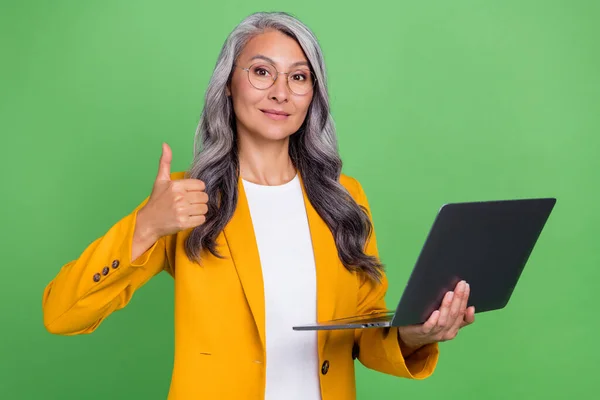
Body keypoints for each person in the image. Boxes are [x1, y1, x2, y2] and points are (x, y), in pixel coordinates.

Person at [42, 11, 475, 400]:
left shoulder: (344, 198)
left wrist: (415, 337)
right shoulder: (187, 197)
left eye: (299, 77)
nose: (281, 92)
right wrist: (146, 228)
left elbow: (359, 335)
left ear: (313, 95)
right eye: (262, 72)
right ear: (228, 85)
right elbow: (61, 313)